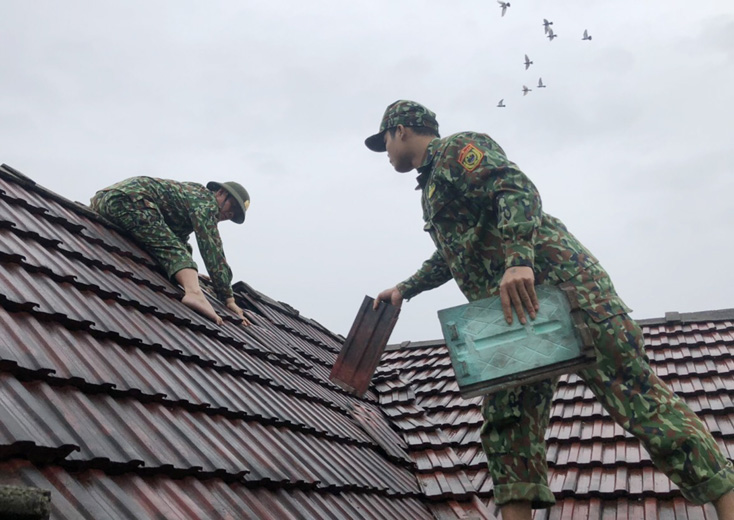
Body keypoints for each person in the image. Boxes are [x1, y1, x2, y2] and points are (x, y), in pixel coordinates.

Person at [366, 100, 734, 520]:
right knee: (507, 424)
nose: (387, 154)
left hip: (570, 294)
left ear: (400, 131)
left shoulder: (458, 150)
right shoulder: (431, 188)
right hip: (516, 318)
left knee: (639, 400)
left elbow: (516, 189)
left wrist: (519, 259)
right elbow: (453, 254)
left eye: (386, 143)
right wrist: (404, 289)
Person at [90, 176, 251, 326]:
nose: (230, 214)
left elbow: (178, 239)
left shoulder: (194, 195)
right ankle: (194, 293)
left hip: (106, 200)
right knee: (175, 253)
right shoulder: (207, 203)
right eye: (233, 206)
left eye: (234, 215)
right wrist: (228, 298)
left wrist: (192, 273)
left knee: (176, 250)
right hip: (128, 201)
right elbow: (212, 247)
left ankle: (191, 282)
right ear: (221, 193)